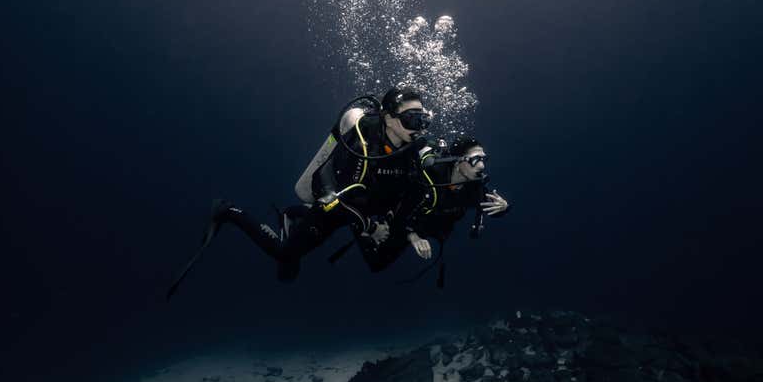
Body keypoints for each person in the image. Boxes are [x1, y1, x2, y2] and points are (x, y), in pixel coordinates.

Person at [167, 86, 433, 299]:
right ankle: (228, 211)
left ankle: (294, 216)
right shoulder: (362, 140)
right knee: (285, 258)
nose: (419, 127)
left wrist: (409, 231)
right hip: (337, 206)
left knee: (378, 263)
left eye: (423, 119)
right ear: (388, 118)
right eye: (412, 119)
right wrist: (364, 221)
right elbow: (324, 177)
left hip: (365, 214)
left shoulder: (413, 153)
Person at [354, 135, 509, 282]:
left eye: (484, 159)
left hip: (434, 227)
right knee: (377, 263)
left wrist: (503, 208)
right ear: (457, 161)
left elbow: (488, 208)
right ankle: (357, 223)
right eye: (476, 160)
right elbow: (399, 212)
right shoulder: (428, 180)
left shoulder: (475, 187)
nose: (482, 166)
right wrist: (412, 236)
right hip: (408, 223)